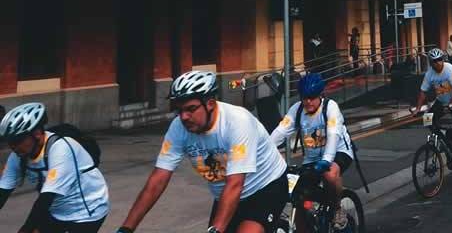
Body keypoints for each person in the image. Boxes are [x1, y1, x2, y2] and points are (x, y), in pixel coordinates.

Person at [116, 70, 288, 233]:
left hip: (265, 187)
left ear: (210, 104)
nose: (183, 117)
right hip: (224, 194)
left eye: (191, 109)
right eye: (179, 110)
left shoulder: (237, 122)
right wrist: (126, 229)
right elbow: (158, 180)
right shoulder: (178, 127)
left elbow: (235, 184)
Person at [0, 103, 109, 233]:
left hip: (87, 211)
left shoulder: (61, 148)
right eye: (9, 141)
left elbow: (46, 197)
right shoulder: (18, 155)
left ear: (37, 133)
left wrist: (25, 230)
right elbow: (3, 191)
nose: (13, 146)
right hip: (57, 210)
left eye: (17, 140)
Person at [271, 73, 354, 231]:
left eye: (312, 97)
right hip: (313, 157)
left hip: (338, 151)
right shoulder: (297, 110)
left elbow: (333, 134)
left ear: (320, 95)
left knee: (329, 173)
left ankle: (337, 209)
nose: (308, 101)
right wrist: (263, 152)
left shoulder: (330, 108)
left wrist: (327, 160)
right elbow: (280, 132)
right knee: (297, 197)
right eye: (304, 97)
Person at [410, 49, 452, 176]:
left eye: (439, 60)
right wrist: (418, 108)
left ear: (443, 59)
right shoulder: (429, 74)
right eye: (434, 61)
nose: (437, 63)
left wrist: (451, 104)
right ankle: (449, 145)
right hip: (441, 102)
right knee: (427, 120)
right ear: (431, 63)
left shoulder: (449, 69)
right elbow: (423, 91)